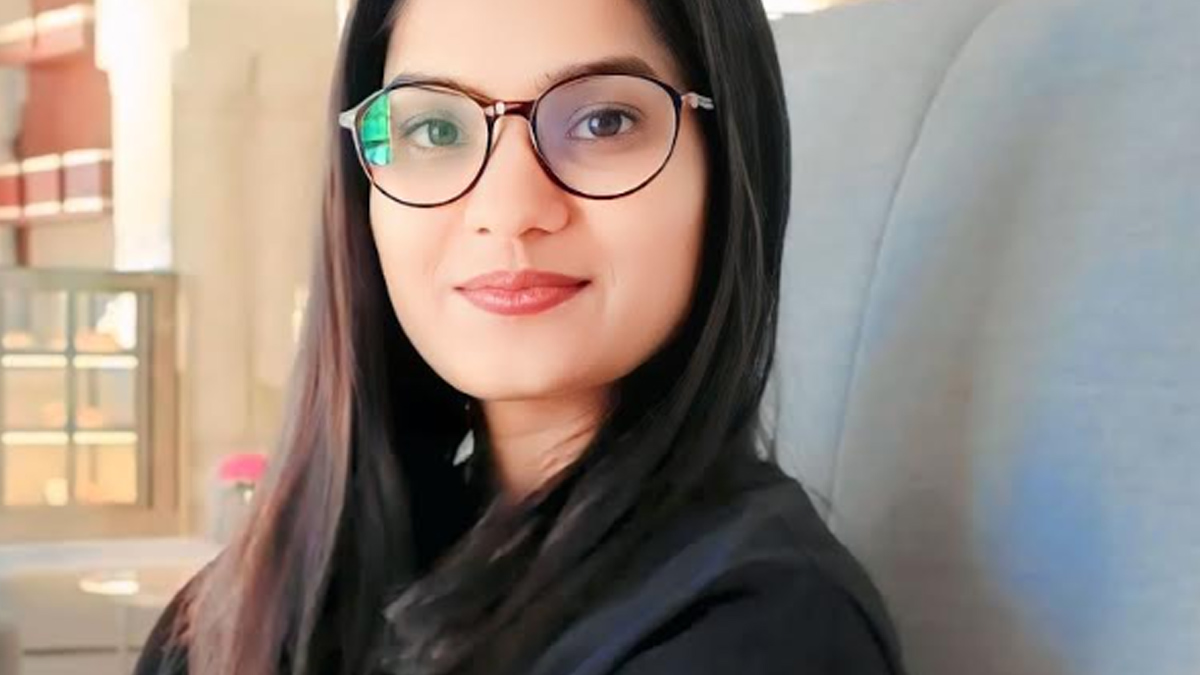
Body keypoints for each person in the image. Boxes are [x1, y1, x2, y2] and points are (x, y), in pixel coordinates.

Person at [134, 0, 907, 673]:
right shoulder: (250, 604)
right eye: (435, 127)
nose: (507, 208)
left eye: (603, 121)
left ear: (726, 164)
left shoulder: (759, 630)